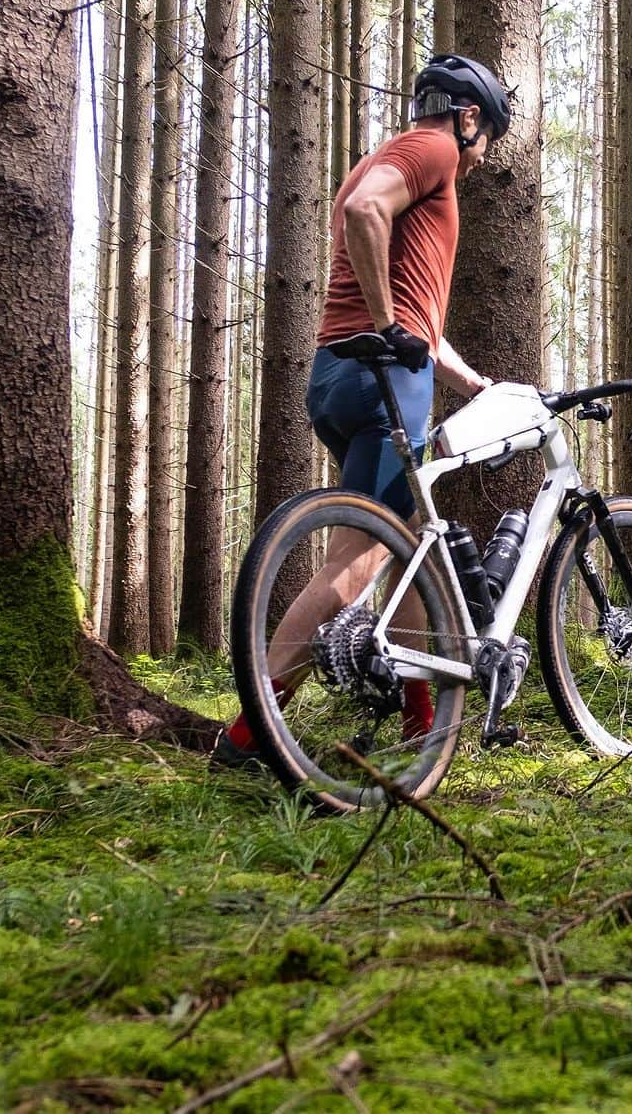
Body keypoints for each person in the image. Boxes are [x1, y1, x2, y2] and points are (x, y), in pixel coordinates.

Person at [213, 54, 511, 768]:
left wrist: (471, 383)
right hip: (382, 382)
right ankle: (252, 729)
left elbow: (421, 321)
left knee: (401, 542)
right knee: (359, 560)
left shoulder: (395, 156)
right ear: (468, 118)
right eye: (486, 142)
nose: (477, 162)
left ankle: (422, 722)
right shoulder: (432, 148)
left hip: (337, 378)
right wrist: (387, 325)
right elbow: (362, 211)